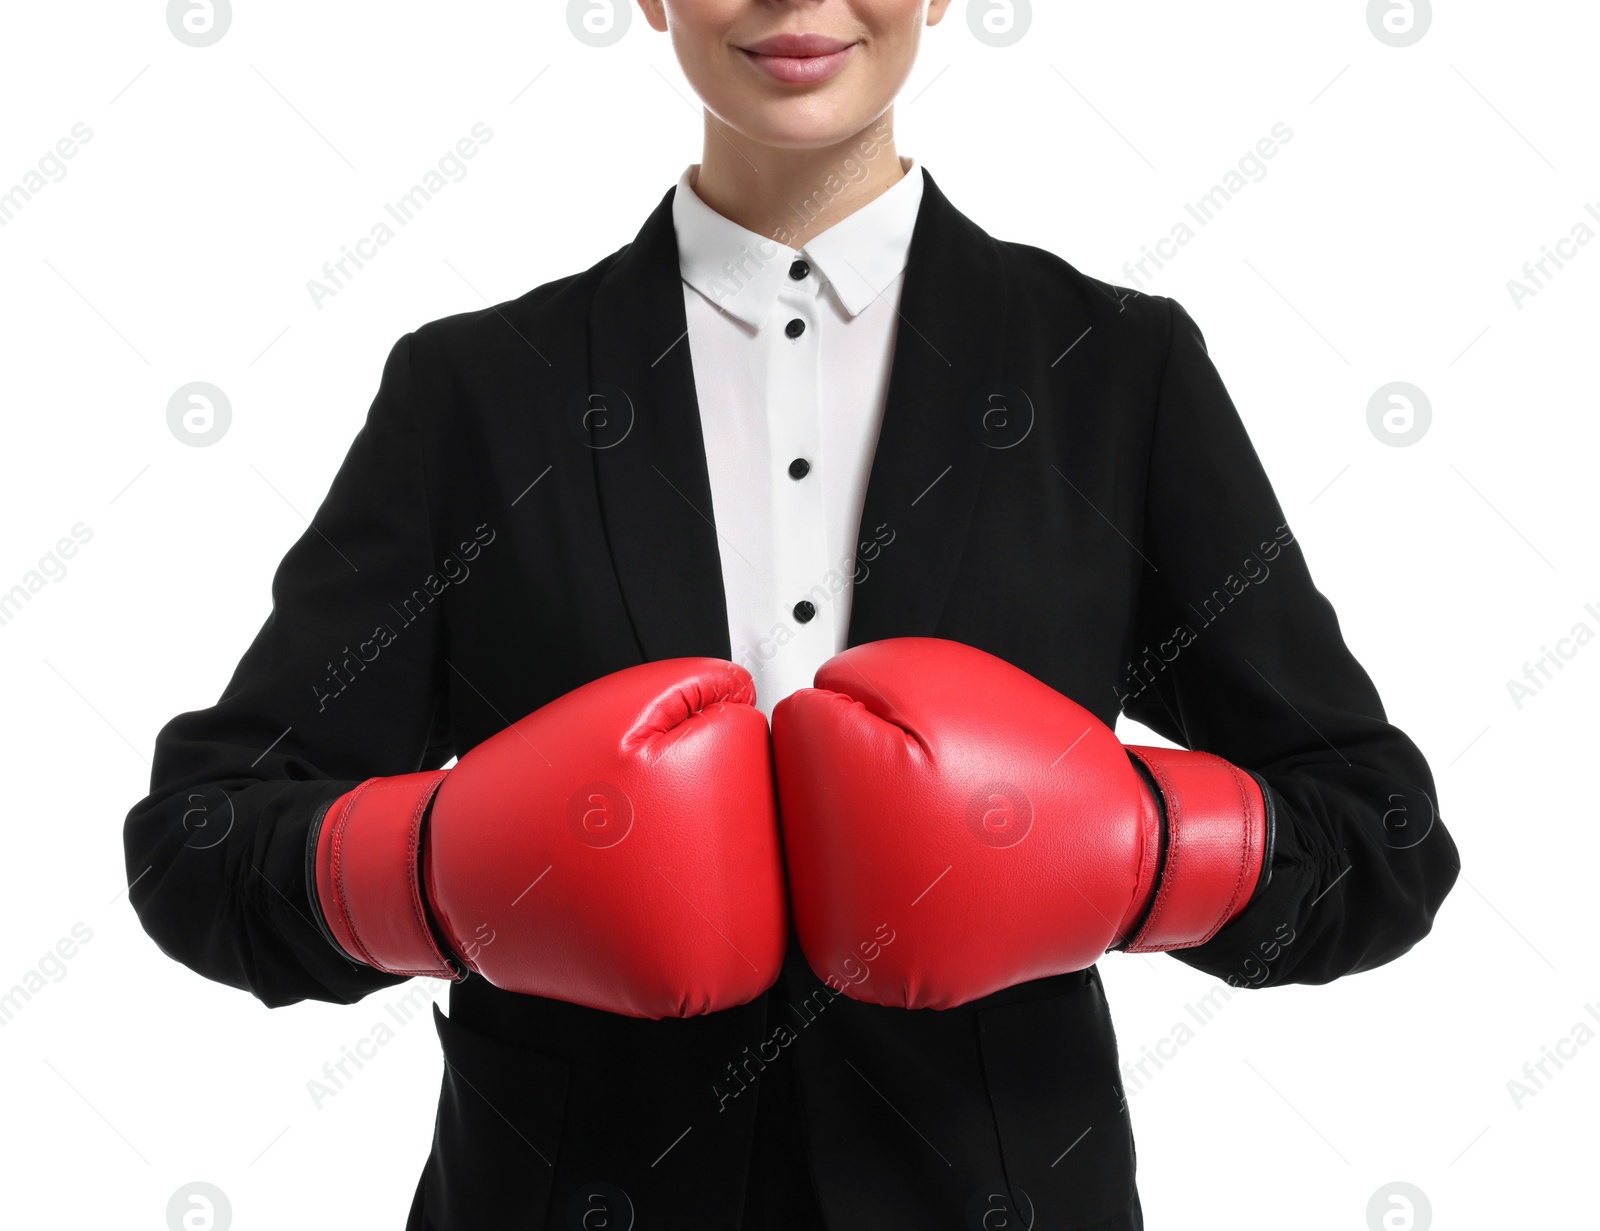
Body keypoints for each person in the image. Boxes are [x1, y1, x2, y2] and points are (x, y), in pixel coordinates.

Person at [123, 2, 1461, 1227]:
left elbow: (1381, 836)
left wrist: (1134, 846)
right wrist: (439, 874)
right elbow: (200, 841)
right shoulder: (480, 393)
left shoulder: (1114, 372)